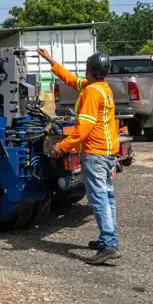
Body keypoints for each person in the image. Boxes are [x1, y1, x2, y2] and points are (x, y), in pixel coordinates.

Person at [38, 48, 122, 265]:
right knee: (107, 196)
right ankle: (108, 239)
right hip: (108, 150)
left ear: (91, 71)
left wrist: (62, 147)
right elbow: (72, 80)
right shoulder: (101, 88)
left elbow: (82, 128)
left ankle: (110, 244)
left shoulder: (91, 93)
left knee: (98, 199)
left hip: (95, 152)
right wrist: (51, 61)